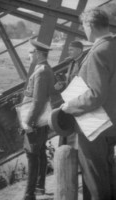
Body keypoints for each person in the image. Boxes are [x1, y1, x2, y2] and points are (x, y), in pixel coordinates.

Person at [61, 8, 116, 200]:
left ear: (89, 25)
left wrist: (70, 106)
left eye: (83, 26)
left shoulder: (99, 51)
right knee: (109, 174)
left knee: (95, 179)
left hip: (95, 126)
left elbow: (95, 95)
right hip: (112, 125)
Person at [22, 40, 62, 200]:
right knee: (39, 153)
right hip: (41, 119)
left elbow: (38, 101)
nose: (28, 55)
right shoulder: (45, 69)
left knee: (32, 155)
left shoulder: (41, 71)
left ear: (38, 54)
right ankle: (39, 188)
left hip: (36, 121)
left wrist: (28, 122)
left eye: (30, 53)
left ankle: (29, 194)